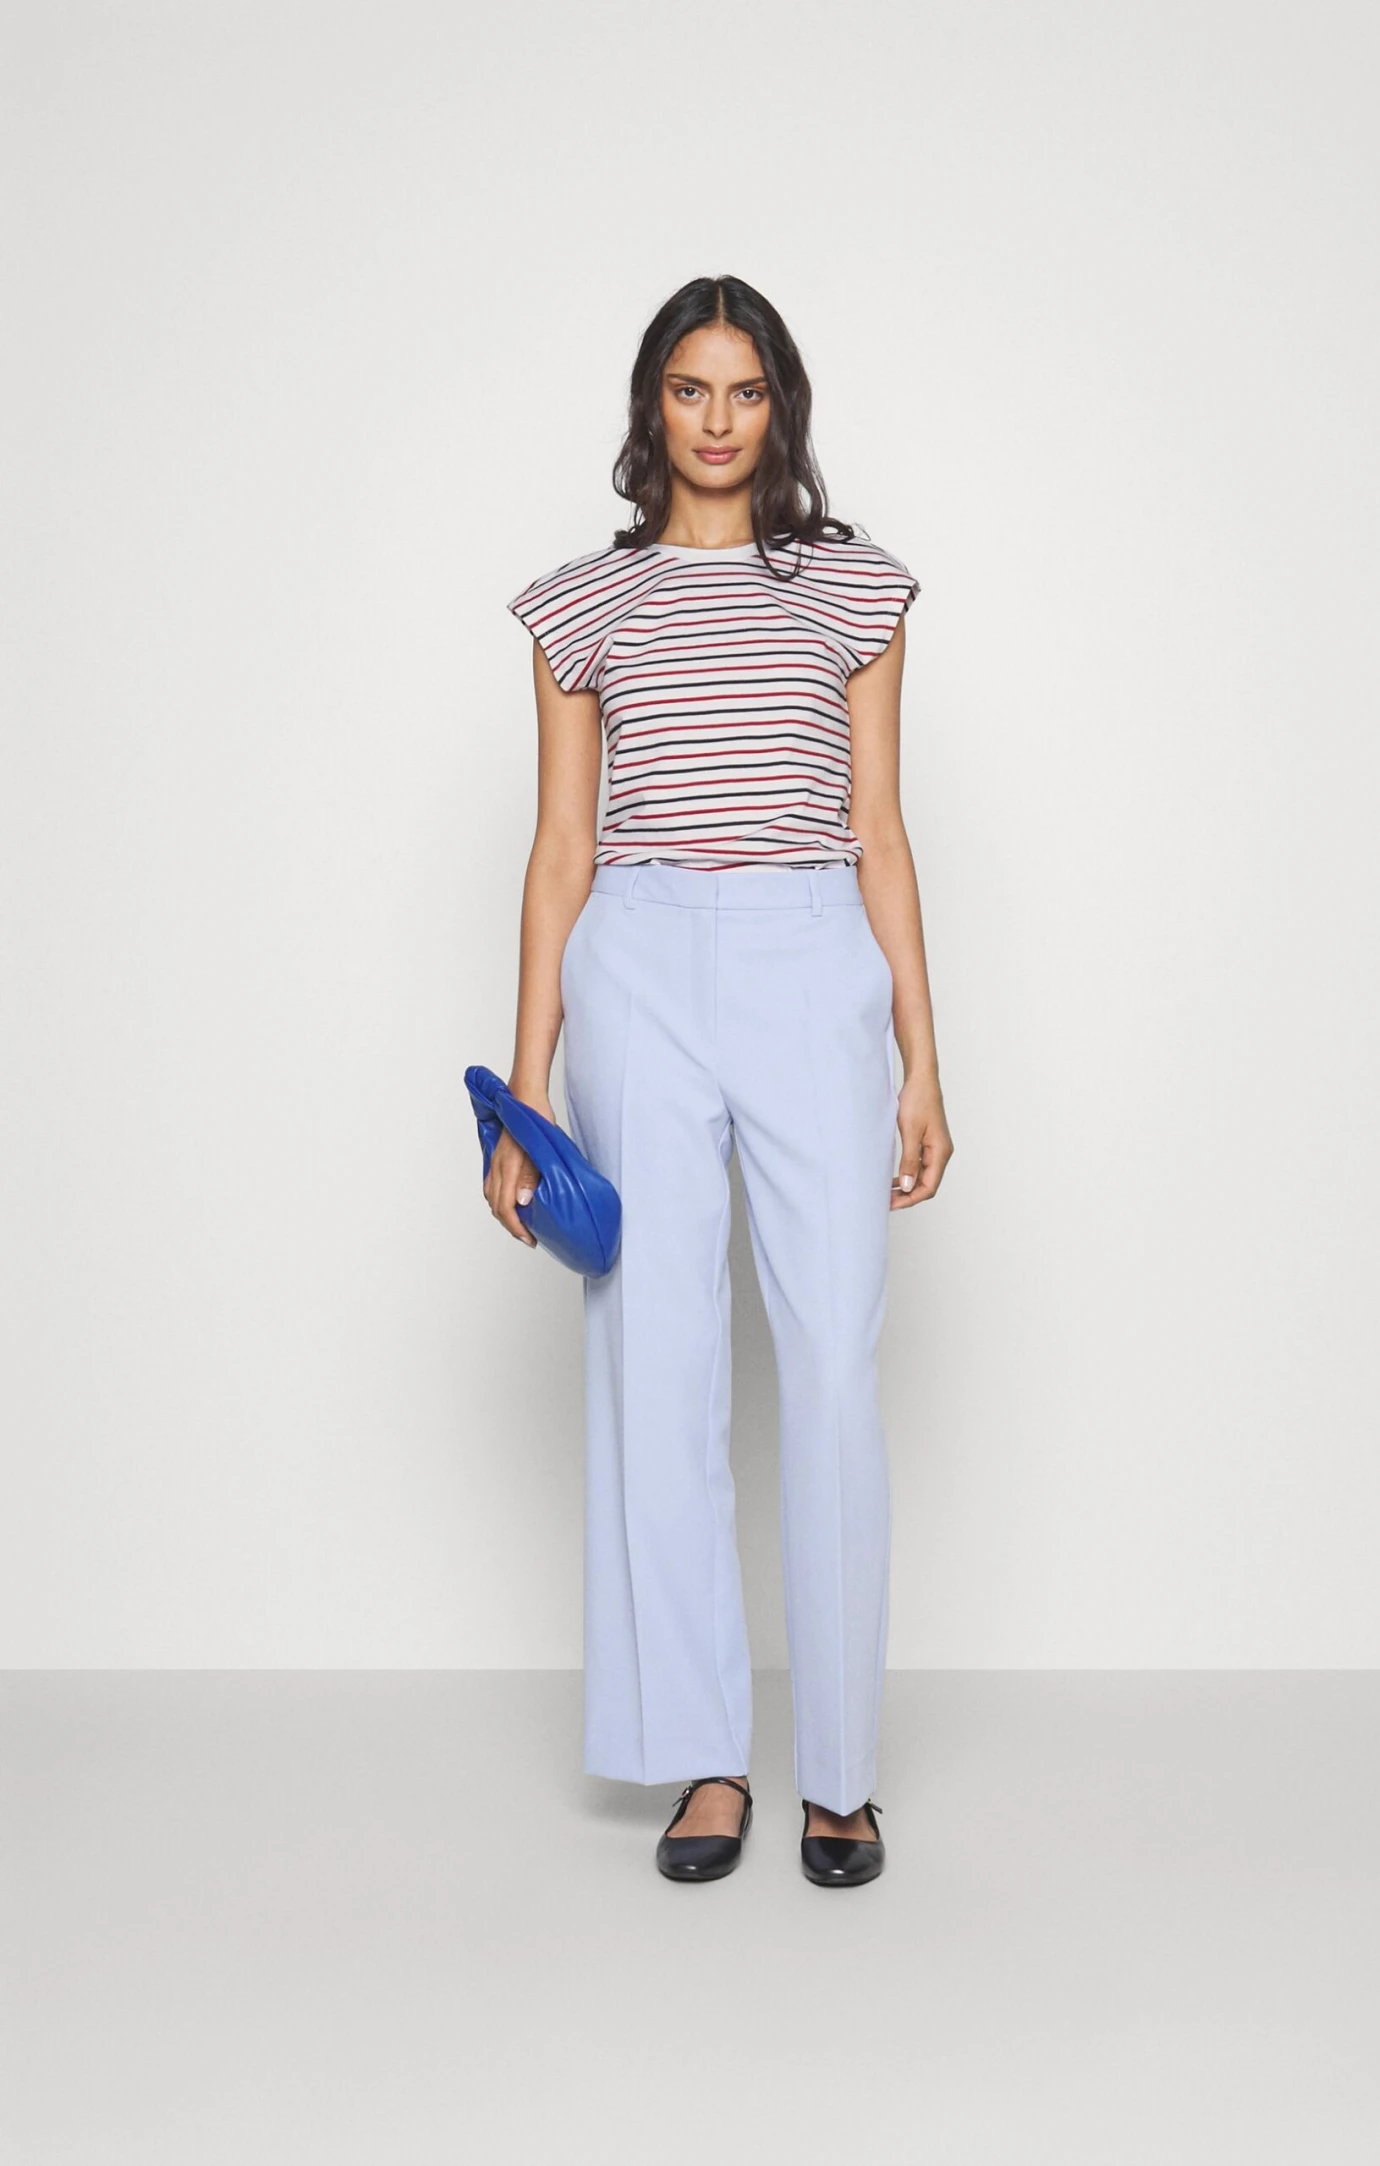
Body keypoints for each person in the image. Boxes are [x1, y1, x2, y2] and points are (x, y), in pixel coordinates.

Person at [488, 274, 953, 1887]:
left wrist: (923, 1053)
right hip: (637, 961)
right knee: (658, 1361)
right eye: (690, 389)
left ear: (780, 409)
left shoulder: (853, 590)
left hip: (810, 951)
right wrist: (527, 1091)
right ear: (652, 405)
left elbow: (882, 831)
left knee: (828, 1366)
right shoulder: (581, 606)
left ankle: (841, 1775)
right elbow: (560, 850)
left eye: (745, 391)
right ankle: (705, 1755)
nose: (717, 419)